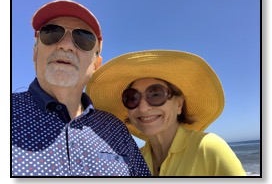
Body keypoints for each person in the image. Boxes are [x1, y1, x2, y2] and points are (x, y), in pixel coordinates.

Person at [12, 0, 151, 177]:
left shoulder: (116, 130)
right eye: (52, 33)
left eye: (83, 38)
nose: (66, 45)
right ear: (35, 52)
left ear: (96, 64)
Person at [86, 50, 247, 176]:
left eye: (155, 94)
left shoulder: (208, 148)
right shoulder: (135, 159)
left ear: (178, 104)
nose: (143, 107)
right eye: (132, 98)